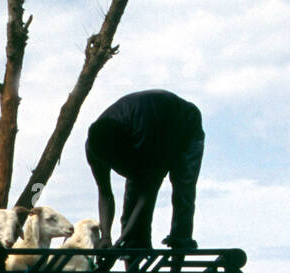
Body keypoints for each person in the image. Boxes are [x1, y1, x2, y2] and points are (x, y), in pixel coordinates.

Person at [86, 90, 204, 252]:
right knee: (131, 206)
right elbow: (105, 193)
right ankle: (133, 258)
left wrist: (120, 242)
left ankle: (178, 251)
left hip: (185, 127)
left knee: (183, 188)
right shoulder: (94, 149)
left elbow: (147, 194)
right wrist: (106, 237)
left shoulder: (144, 137)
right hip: (148, 120)